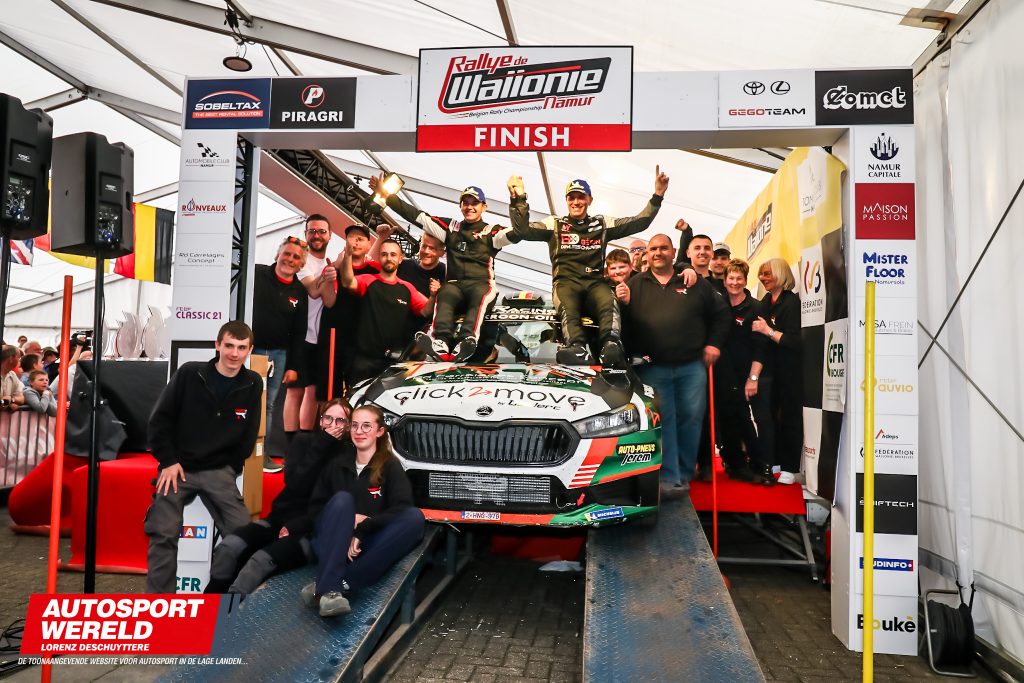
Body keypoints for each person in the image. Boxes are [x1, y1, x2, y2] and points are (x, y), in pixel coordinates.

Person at [144, 321, 263, 593]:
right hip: (177, 468)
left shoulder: (253, 382)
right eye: (229, 345)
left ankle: (223, 597)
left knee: (243, 535)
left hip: (219, 471)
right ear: (217, 345)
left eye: (241, 347)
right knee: (163, 531)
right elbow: (159, 420)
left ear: (250, 350)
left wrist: (230, 468)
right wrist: (168, 461)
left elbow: (249, 433)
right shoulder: (190, 373)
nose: (234, 353)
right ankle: (159, 603)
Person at [507, 168, 670, 368]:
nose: (576, 202)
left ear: (590, 200)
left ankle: (611, 346)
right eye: (571, 197)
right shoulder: (555, 224)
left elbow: (639, 223)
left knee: (609, 300)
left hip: (594, 283)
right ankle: (576, 347)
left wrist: (657, 196)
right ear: (567, 201)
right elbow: (522, 230)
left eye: (581, 197)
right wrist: (518, 199)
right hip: (566, 283)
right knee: (568, 307)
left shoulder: (601, 223)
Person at [616, 234, 730, 497]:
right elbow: (622, 324)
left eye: (663, 248)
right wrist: (622, 303)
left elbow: (722, 314)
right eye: (653, 249)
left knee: (691, 419)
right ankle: (670, 477)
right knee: (664, 421)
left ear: (673, 251)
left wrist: (714, 344)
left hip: (692, 366)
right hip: (653, 367)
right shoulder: (635, 284)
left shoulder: (692, 281)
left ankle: (684, 473)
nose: (658, 253)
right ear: (647, 254)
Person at [205, 398, 353, 594]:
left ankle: (229, 610)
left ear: (348, 426)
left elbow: (332, 506)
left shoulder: (348, 456)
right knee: (229, 548)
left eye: (340, 420)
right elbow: (296, 483)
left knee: (259, 562)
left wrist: (296, 526)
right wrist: (322, 445)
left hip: (310, 531)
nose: (333, 425)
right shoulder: (303, 442)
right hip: (279, 519)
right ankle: (210, 607)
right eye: (328, 418)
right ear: (320, 420)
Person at [370, 176, 516, 362]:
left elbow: (518, 232)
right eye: (465, 203)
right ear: (460, 206)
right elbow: (417, 216)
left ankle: (467, 339)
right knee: (446, 291)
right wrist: (387, 196)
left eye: (474, 203)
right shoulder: (451, 228)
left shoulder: (492, 231)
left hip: (482, 285)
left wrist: (518, 200)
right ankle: (440, 341)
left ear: (484, 207)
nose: (469, 207)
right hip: (455, 286)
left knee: (480, 294)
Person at [301, 404, 424, 617]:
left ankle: (335, 584)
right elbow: (315, 510)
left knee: (415, 518)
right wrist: (345, 522)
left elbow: (401, 507)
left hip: (364, 546)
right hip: (331, 544)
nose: (359, 431)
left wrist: (364, 528)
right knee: (342, 501)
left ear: (380, 431)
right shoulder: (336, 464)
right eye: (355, 425)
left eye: (367, 426)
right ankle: (330, 589)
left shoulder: (391, 466)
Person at [335, 238, 435, 387]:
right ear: (379, 257)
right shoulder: (368, 280)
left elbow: (426, 311)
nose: (389, 258)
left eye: (393, 254)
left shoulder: (407, 288)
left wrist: (433, 296)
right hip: (364, 360)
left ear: (400, 259)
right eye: (384, 254)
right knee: (357, 399)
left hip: (392, 363)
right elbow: (348, 282)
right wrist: (348, 256)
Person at [284, 214, 340, 444]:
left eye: (321, 231)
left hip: (320, 338)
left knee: (313, 392)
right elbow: (314, 291)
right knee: (295, 391)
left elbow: (329, 301)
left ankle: (305, 443)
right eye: (312, 231)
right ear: (306, 234)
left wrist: (333, 272)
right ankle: (290, 446)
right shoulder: (302, 261)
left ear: (330, 235)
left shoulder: (328, 264)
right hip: (299, 336)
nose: (317, 235)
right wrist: (332, 270)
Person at [718, 259, 774, 485]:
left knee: (748, 418)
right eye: (731, 278)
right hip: (724, 372)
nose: (735, 282)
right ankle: (735, 464)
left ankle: (762, 465)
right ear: (725, 281)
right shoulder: (719, 304)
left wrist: (753, 378)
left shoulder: (756, 307)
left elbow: (761, 347)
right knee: (728, 419)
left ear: (745, 280)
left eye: (739, 278)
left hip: (750, 372)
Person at [752, 257, 803, 485]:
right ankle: (774, 461)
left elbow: (794, 341)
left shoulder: (791, 303)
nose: (763, 278)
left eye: (767, 274)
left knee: (790, 417)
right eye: (761, 274)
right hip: (768, 371)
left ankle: (790, 467)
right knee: (769, 416)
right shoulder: (764, 302)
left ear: (780, 274)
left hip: (789, 370)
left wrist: (768, 331)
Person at [252, 236, 308, 441]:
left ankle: (261, 452)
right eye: (287, 254)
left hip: (278, 355)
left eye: (296, 257)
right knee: (245, 400)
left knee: (268, 404)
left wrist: (293, 367)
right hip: (249, 351)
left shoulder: (300, 292)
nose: (290, 259)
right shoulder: (256, 274)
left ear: (302, 264)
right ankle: (240, 452)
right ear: (278, 255)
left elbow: (299, 332)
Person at [320, 224, 381, 395]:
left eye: (360, 239)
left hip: (363, 340)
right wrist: (332, 272)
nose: (355, 242)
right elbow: (327, 300)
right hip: (335, 336)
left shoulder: (376, 269)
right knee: (330, 391)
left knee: (359, 390)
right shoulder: (333, 268)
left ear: (368, 245)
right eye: (351, 238)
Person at [0, 346, 25, 410]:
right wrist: (6, 403)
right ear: (11, 358)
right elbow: (2, 403)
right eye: (18, 358)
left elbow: (22, 398)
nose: (19, 361)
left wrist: (11, 399)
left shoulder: (12, 374)